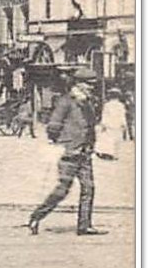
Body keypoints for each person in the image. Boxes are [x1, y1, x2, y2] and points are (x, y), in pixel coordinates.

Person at [28, 71, 106, 236]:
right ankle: (36, 216)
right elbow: (53, 125)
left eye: (92, 84)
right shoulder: (66, 101)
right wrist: (60, 143)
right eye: (88, 84)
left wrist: (93, 146)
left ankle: (84, 226)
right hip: (69, 153)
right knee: (62, 190)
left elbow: (90, 127)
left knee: (89, 188)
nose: (91, 87)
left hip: (84, 153)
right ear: (78, 84)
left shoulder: (87, 104)